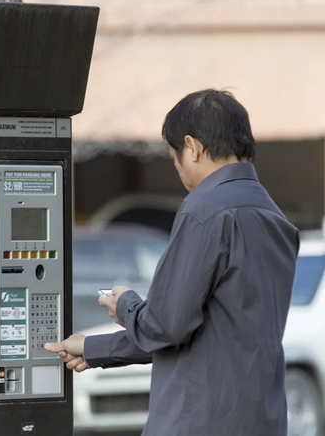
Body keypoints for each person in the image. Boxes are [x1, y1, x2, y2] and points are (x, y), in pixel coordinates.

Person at [45, 89, 300, 436]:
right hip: (263, 419)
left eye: (174, 156)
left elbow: (166, 325)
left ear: (192, 148)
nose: (178, 167)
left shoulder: (204, 211)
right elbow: (199, 331)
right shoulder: (276, 219)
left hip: (199, 421)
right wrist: (94, 348)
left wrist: (126, 306)